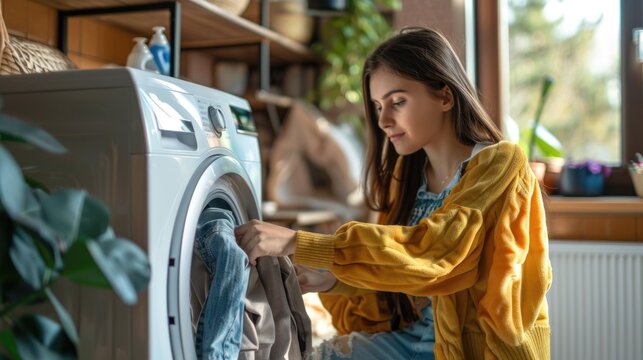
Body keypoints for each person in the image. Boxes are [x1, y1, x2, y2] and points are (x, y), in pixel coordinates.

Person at [236, 26, 552, 359]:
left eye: (397, 101)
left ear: (445, 96)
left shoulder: (500, 162)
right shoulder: (408, 175)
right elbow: (401, 271)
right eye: (377, 106)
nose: (384, 119)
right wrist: (332, 281)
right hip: (411, 340)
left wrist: (295, 241)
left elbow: (435, 255)